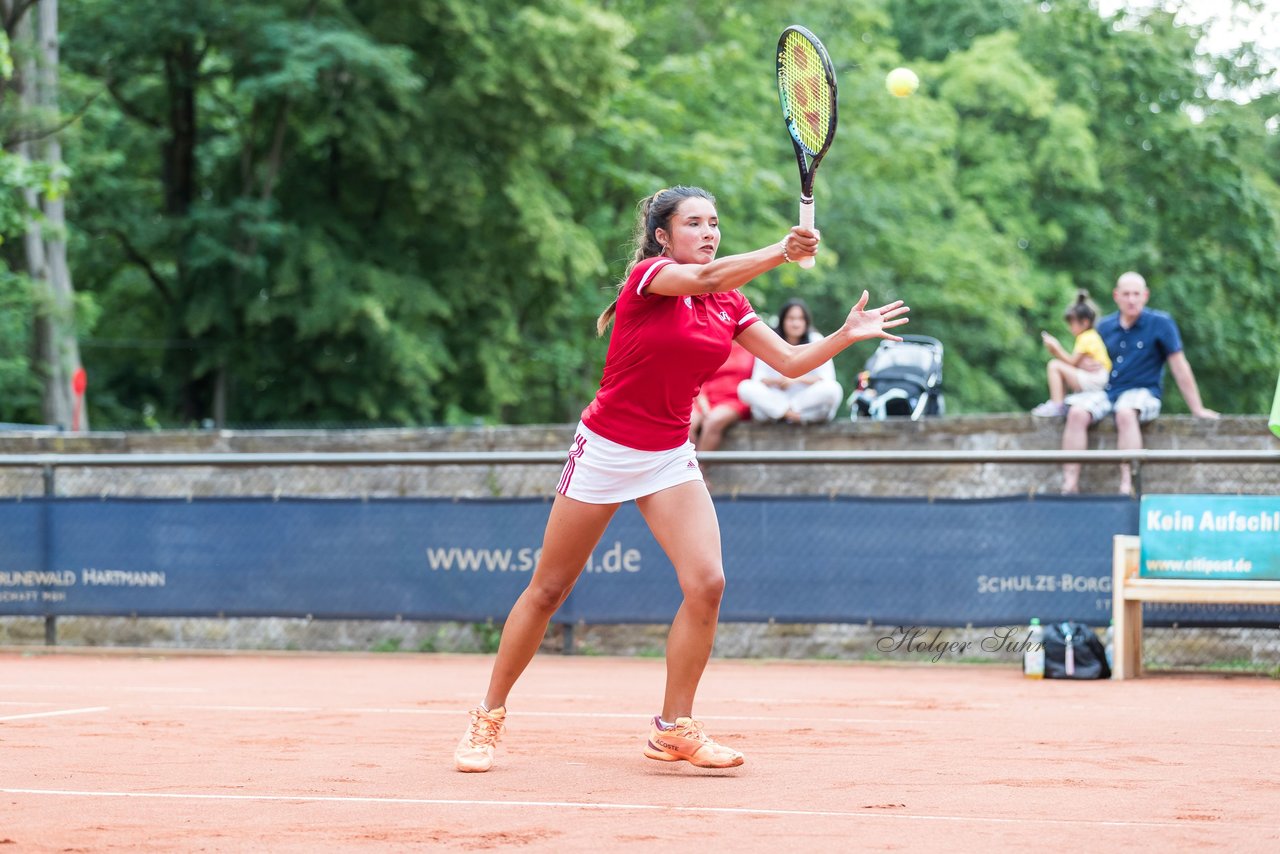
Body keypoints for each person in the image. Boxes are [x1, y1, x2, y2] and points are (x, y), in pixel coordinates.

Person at [454, 185, 909, 772]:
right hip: (606, 450)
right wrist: (783, 250)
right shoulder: (652, 276)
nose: (708, 231)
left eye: (714, 222)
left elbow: (792, 364)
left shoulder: (729, 302)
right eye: (694, 223)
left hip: (669, 455)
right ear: (664, 236)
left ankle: (674, 728)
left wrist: (845, 335)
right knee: (548, 591)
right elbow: (704, 280)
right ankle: (486, 719)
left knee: (708, 583)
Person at [1060, 271, 1218, 495]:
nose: (1131, 299)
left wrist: (1197, 409)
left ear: (1145, 296)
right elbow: (1084, 363)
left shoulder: (1161, 324)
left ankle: (1128, 485)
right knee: (1076, 412)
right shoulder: (1104, 327)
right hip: (1107, 390)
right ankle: (1069, 485)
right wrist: (1084, 366)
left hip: (1142, 390)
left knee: (1126, 412)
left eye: (1136, 294)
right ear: (1116, 296)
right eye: (1126, 294)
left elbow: (1179, 367)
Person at [736, 298, 844, 424]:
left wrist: (795, 379)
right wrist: (779, 381)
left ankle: (786, 412)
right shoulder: (770, 340)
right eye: (791, 319)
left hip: (805, 402)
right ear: (783, 321)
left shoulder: (816, 339)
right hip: (777, 398)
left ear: (806, 322)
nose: (796, 324)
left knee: (833, 389)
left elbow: (827, 379)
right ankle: (787, 414)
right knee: (745, 387)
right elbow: (758, 379)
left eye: (800, 319)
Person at [1031, 289, 1111, 417]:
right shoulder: (1091, 336)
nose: (1070, 328)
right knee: (1060, 368)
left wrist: (1056, 349)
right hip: (1099, 378)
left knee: (1054, 365)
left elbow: (1071, 363)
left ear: (1084, 322)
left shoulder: (1086, 337)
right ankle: (1059, 403)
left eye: (1071, 324)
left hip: (1096, 379)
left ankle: (1057, 405)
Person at [689, 339, 754, 453]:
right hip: (705, 397)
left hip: (735, 400)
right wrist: (704, 404)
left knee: (713, 421)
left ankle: (700, 468)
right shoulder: (712, 346)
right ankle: (688, 465)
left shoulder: (753, 349)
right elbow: (699, 378)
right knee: (688, 422)